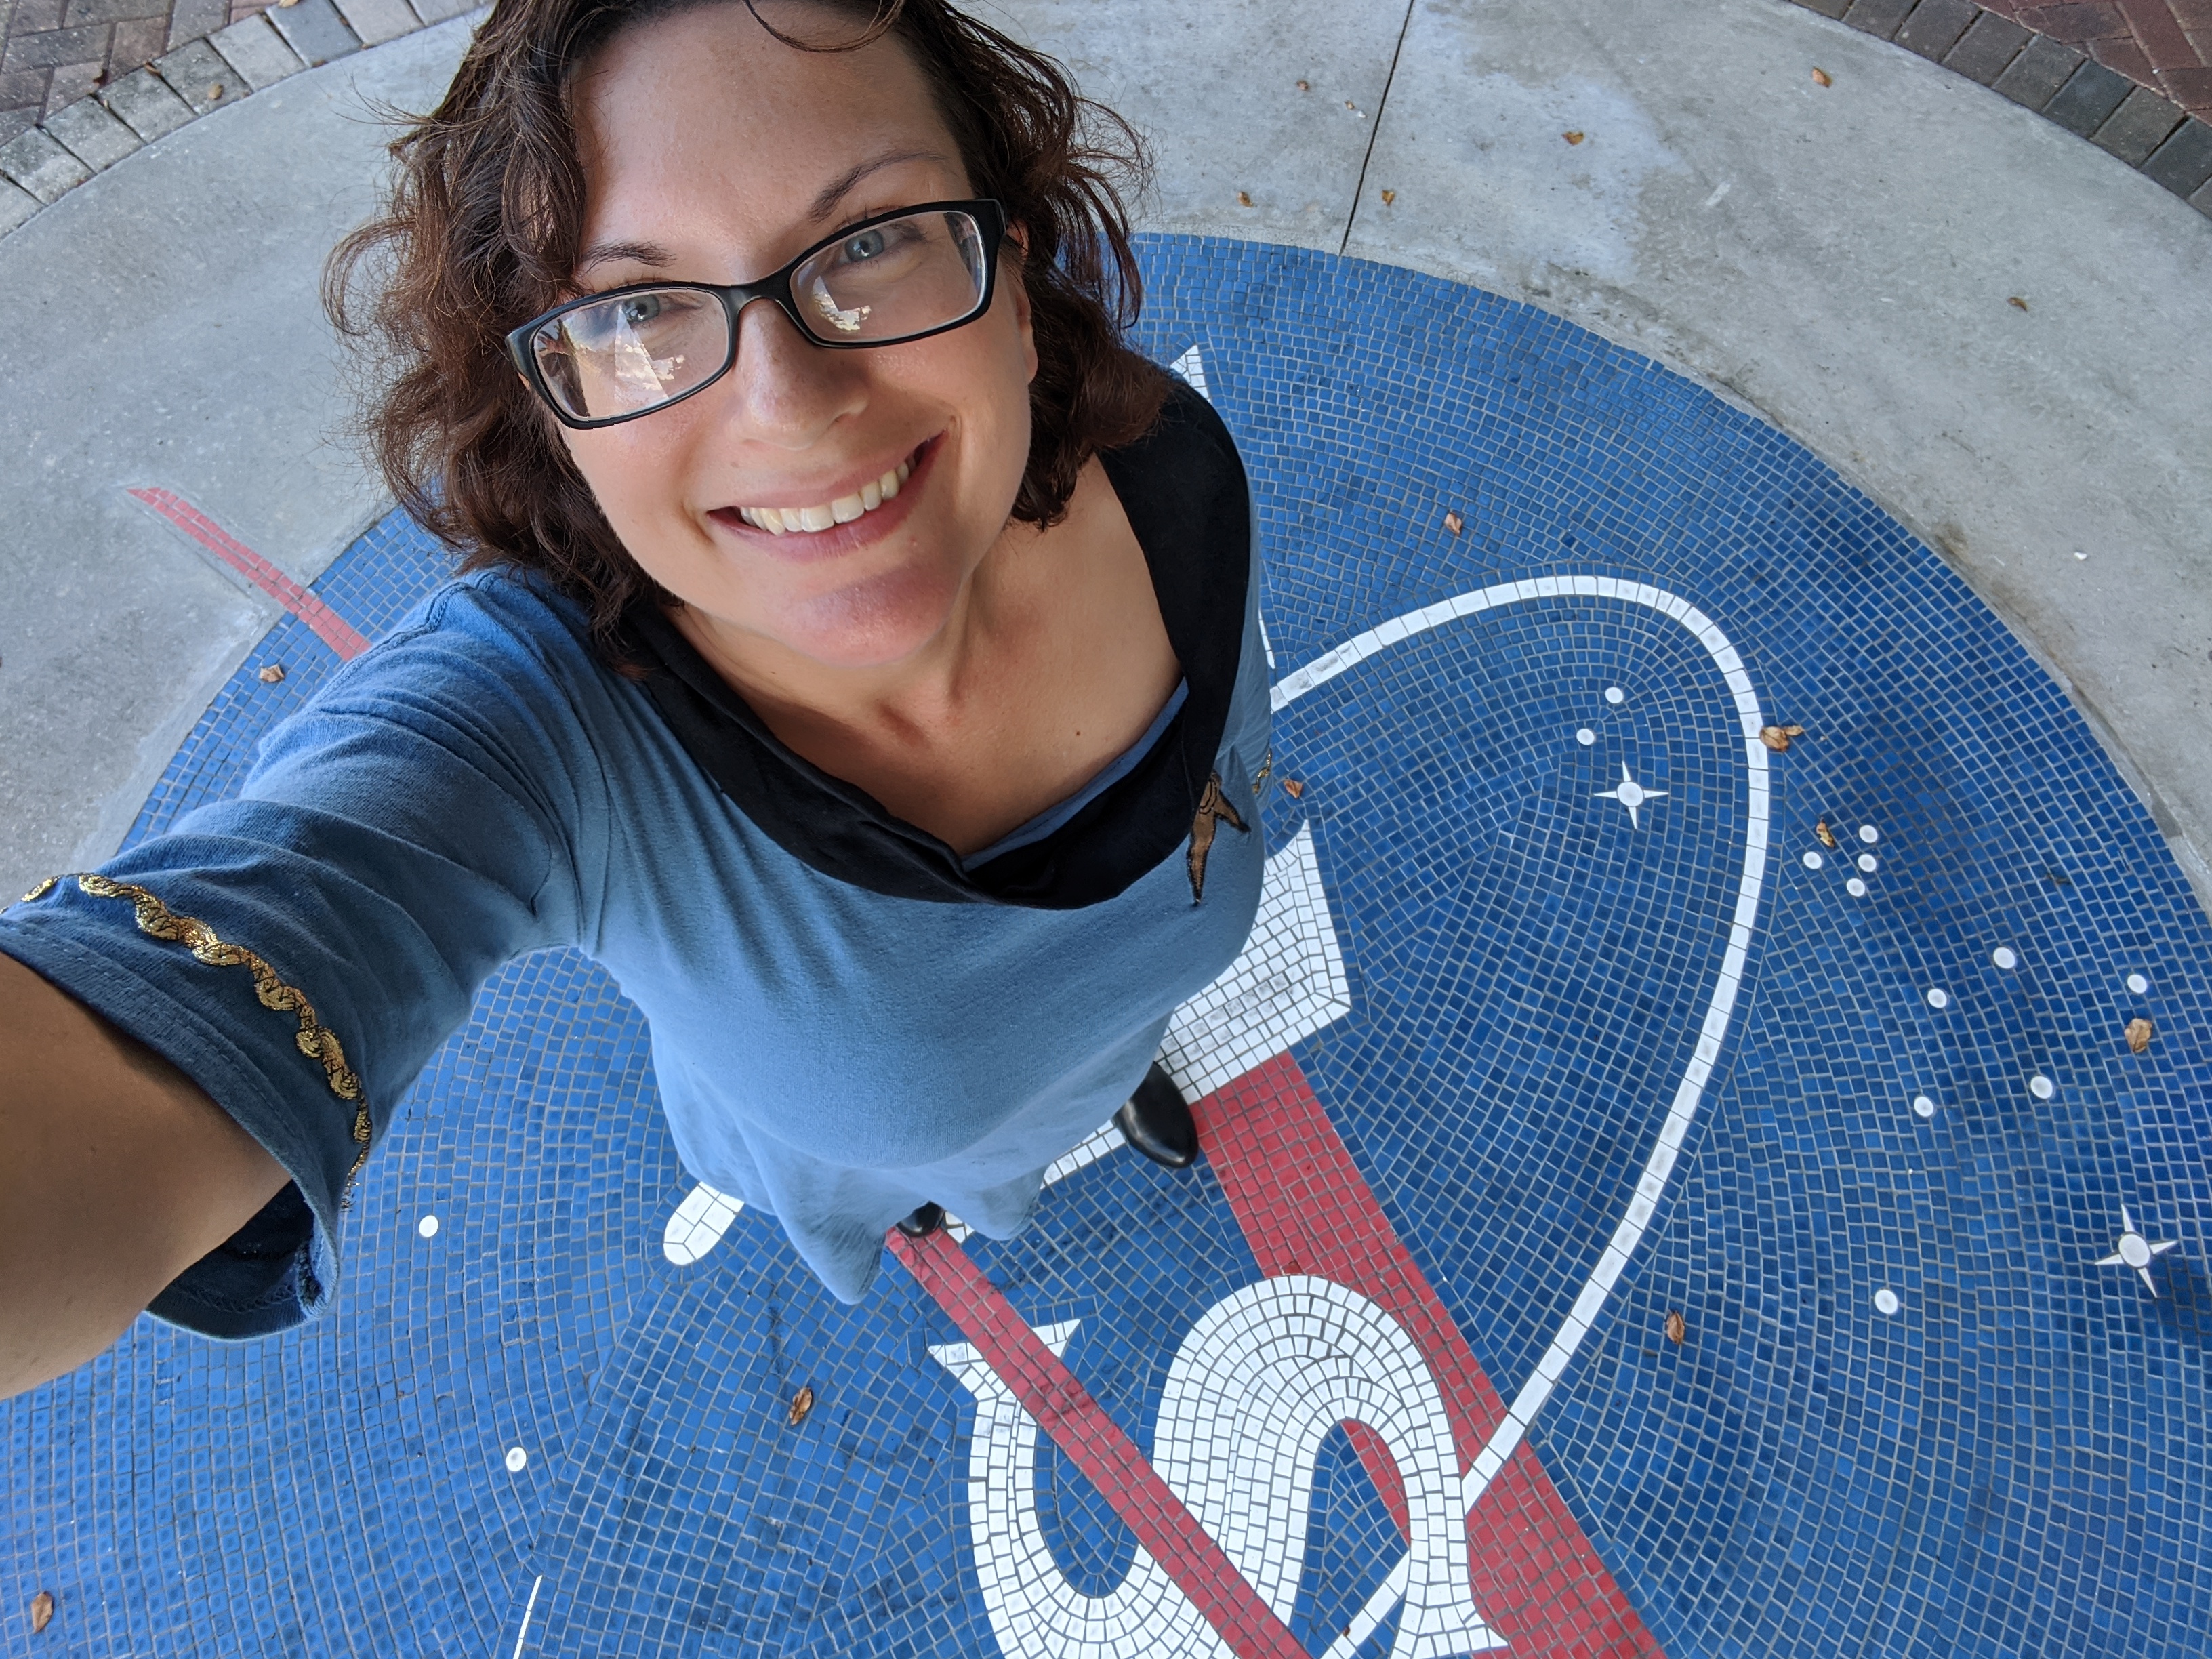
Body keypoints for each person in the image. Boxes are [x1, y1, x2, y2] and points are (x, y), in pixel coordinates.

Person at [0, 0, 1269, 1400]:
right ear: (554, 411)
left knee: (1083, 1058)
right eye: (636, 312)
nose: (790, 405)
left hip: (1102, 1042)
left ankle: (1099, 1084)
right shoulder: (540, 729)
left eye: (871, 241)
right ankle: (921, 1200)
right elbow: (138, 1068)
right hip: (847, 1156)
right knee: (906, 1184)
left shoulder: (1163, 460)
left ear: (1012, 284)